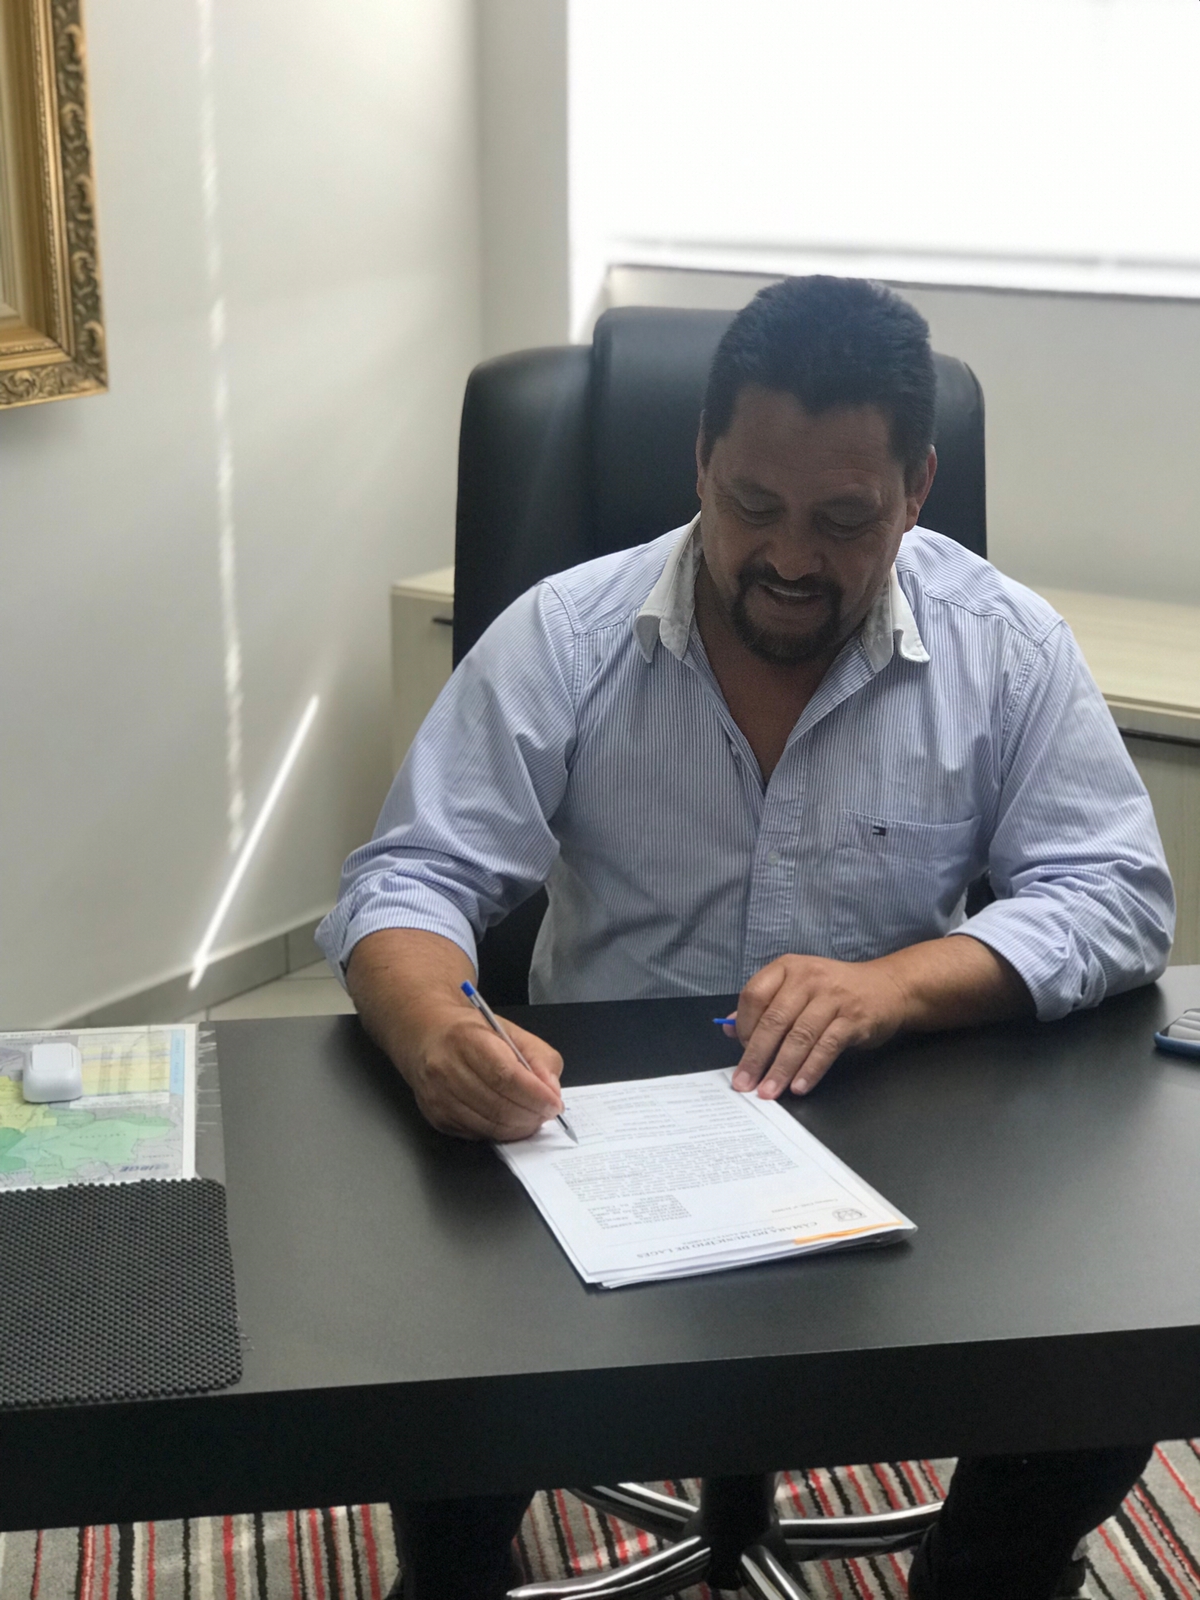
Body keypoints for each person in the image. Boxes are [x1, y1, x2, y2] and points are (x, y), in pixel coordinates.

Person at [317, 276, 1174, 1600]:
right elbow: (411, 876)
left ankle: (984, 1564)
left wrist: (897, 986)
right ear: (702, 461)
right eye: (752, 505)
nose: (789, 557)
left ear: (917, 489)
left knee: (1125, 1330)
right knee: (431, 1316)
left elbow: (1116, 890)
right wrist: (436, 1029)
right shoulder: (570, 633)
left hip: (901, 1113)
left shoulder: (1003, 647)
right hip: (592, 1123)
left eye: (844, 520)